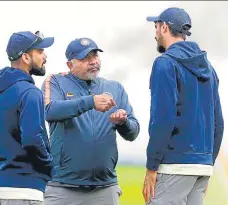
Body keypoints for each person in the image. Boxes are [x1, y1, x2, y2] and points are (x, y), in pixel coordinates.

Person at [41, 37, 140, 205]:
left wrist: (123, 122)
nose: (93, 62)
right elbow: (49, 111)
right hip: (62, 186)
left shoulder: (114, 88)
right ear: (70, 65)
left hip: (105, 187)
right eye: (85, 58)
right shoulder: (56, 81)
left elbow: (133, 132)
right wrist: (90, 102)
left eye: (95, 56)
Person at [142, 7, 224, 205]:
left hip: (174, 165)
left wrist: (151, 167)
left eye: (156, 27)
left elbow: (162, 119)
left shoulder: (165, 63)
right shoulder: (210, 69)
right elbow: (218, 123)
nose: (155, 33)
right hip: (202, 167)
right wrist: (207, 164)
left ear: (164, 28)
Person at [0, 31, 55, 205]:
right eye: (39, 51)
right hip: (25, 190)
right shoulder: (30, 93)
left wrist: (11, 155)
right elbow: (32, 139)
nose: (45, 55)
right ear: (26, 58)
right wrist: (51, 167)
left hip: (0, 186)